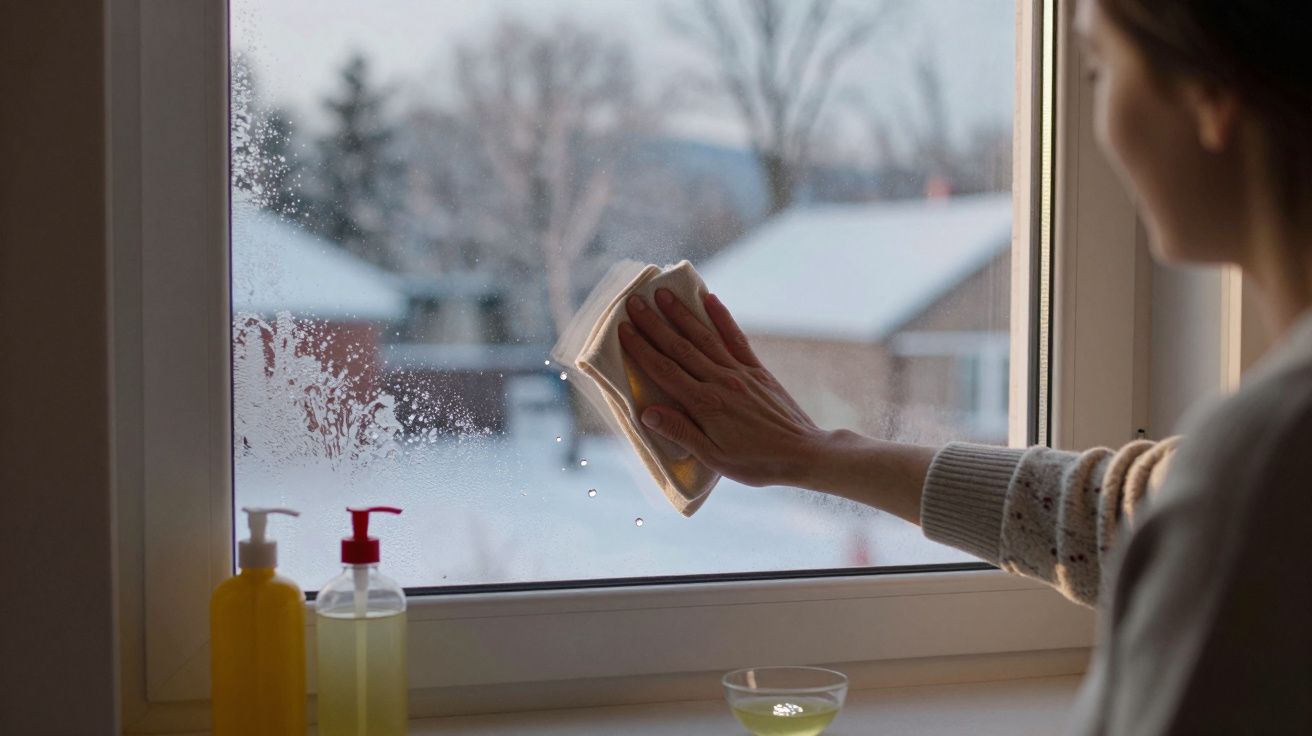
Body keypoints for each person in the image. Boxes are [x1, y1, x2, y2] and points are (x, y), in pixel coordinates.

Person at [615, 0, 1311, 733]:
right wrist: (819, 455)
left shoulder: (1271, 459)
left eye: (1100, 69)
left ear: (1209, 97)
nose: (1102, 123)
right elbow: (1123, 516)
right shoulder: (1259, 468)